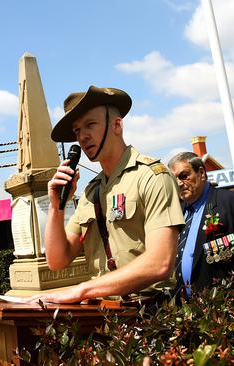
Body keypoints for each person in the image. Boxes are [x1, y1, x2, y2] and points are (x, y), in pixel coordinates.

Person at [32, 86, 184, 304]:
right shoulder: (91, 191)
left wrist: (83, 290)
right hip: (105, 313)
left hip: (150, 313)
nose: (82, 137)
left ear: (117, 125)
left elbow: (160, 262)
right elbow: (57, 260)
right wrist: (57, 207)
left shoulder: (151, 176)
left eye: (90, 125)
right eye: (76, 131)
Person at [167, 152, 234, 297]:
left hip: (221, 308)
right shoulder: (176, 212)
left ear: (201, 173)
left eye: (184, 176)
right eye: (174, 179)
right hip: (182, 309)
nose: (179, 183)